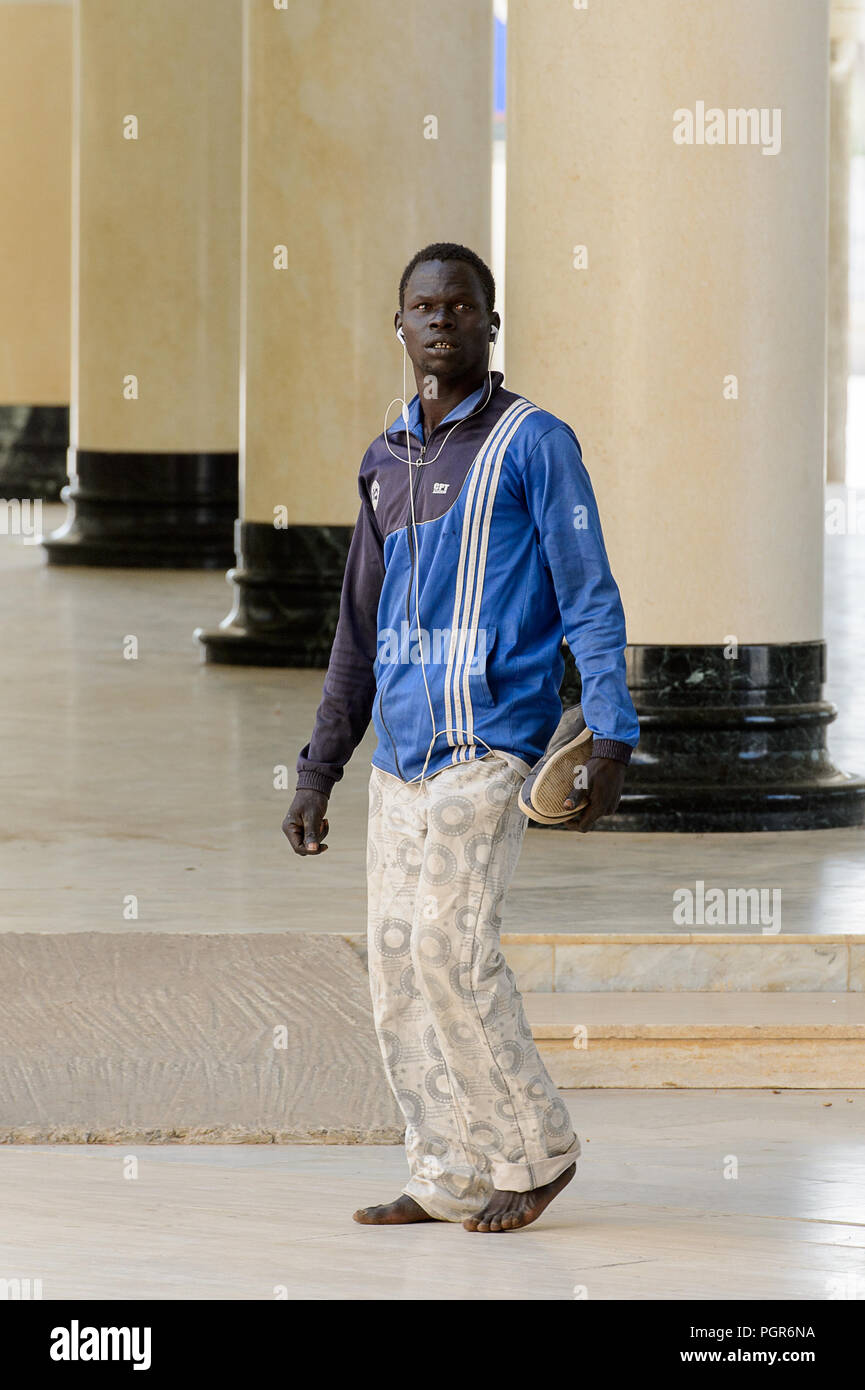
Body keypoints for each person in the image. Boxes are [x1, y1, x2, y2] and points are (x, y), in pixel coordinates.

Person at [282, 242, 639, 1232]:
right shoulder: (383, 456)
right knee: (396, 966)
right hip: (397, 761)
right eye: (421, 308)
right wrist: (318, 770)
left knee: (448, 943)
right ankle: (445, 1170)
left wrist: (609, 731)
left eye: (460, 306)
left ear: (490, 323)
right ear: (398, 327)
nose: (439, 321)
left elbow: (590, 596)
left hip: (489, 749)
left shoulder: (536, 443)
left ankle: (536, 1148)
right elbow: (357, 633)